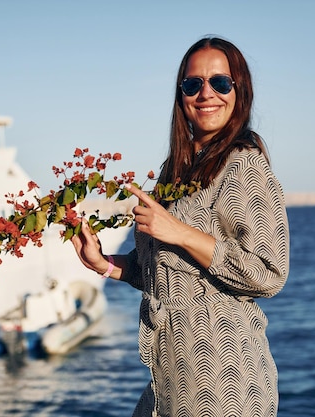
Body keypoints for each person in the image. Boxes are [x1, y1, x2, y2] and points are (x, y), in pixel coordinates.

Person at [71, 36, 290, 417]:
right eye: (193, 84)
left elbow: (269, 274)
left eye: (220, 83)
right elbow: (163, 274)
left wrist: (180, 232)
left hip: (224, 383)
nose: (207, 94)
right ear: (181, 94)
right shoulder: (177, 171)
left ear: (240, 91)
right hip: (170, 379)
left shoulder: (243, 164)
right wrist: (104, 263)